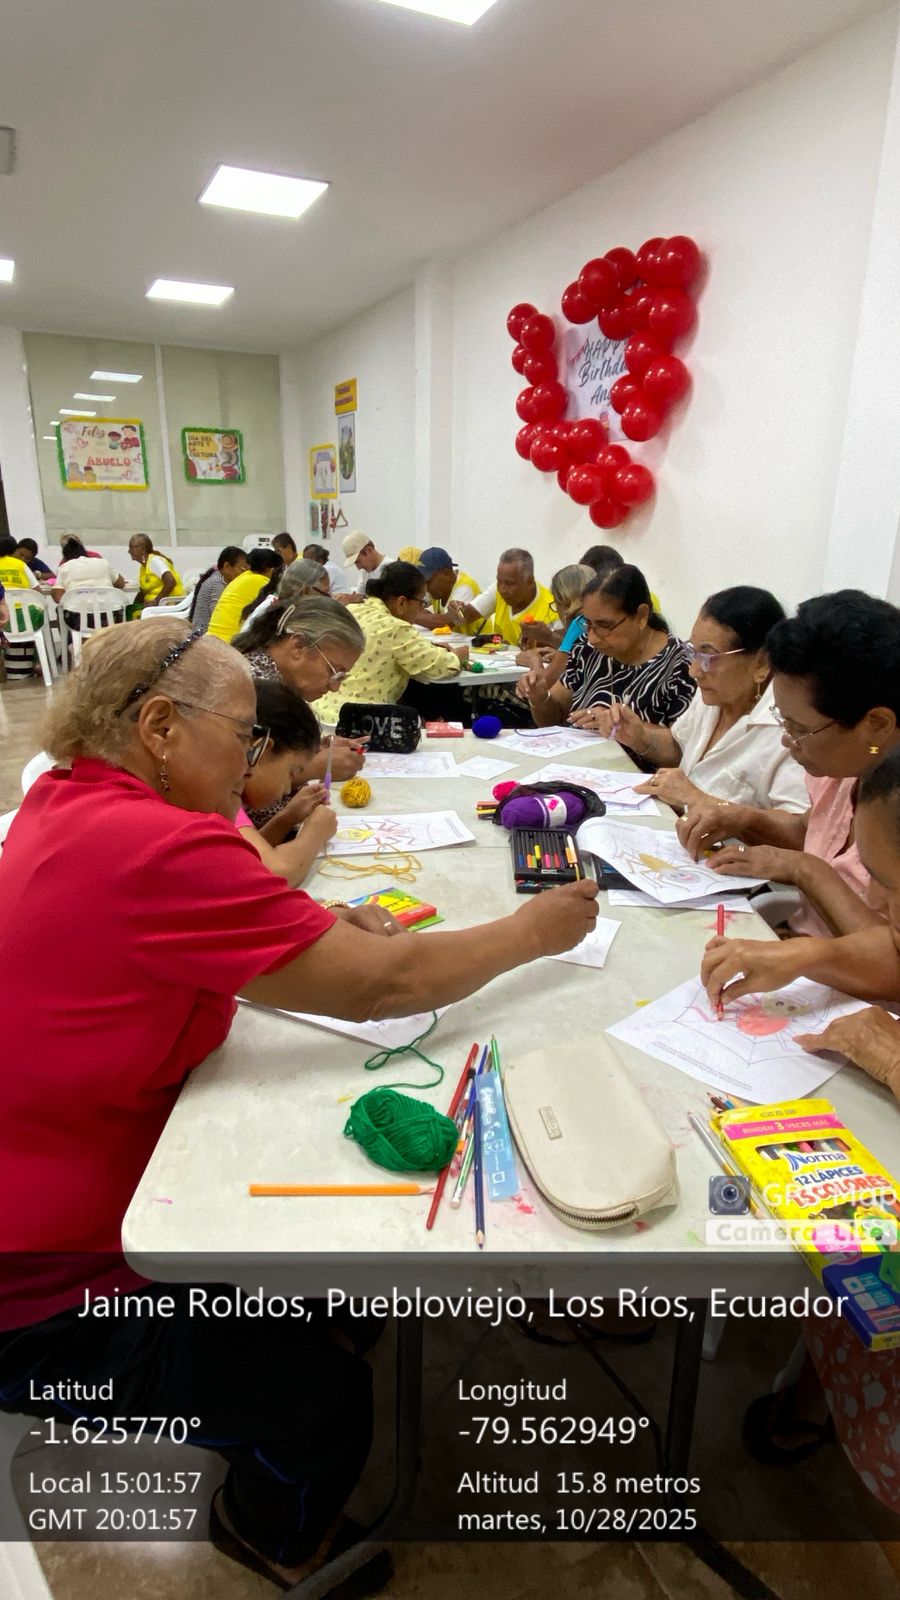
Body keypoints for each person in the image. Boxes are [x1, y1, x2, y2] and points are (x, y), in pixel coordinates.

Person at [0, 618, 598, 1590]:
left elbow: (174, 929)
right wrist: (534, 931)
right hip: (42, 1297)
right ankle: (272, 1535)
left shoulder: (74, 798)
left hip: (68, 1201)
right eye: (243, 735)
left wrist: (306, 923)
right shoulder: (154, 844)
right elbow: (386, 984)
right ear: (159, 726)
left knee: (328, 1281)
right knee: (322, 1400)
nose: (252, 760)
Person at [682, 590, 900, 940]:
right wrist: (744, 819)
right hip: (799, 948)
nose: (786, 740)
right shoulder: (842, 770)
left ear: (876, 724)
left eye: (799, 729)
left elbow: (890, 957)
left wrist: (803, 869)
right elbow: (813, 829)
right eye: (784, 721)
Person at [593, 587, 809, 816]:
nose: (694, 670)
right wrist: (639, 735)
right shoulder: (713, 695)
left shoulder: (789, 727)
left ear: (762, 663)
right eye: (692, 652)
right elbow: (680, 746)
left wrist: (699, 800)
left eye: (708, 656)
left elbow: (798, 825)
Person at [520, 565, 694, 753]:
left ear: (642, 616)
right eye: (588, 624)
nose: (593, 638)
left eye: (604, 626)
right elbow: (554, 719)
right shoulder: (586, 649)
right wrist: (539, 697)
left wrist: (632, 730)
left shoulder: (681, 665)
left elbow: (683, 751)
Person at [233, 596, 368, 787]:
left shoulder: (277, 682)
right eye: (333, 672)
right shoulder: (249, 688)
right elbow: (235, 783)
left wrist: (311, 749)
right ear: (298, 646)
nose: (335, 687)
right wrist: (312, 767)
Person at [315, 561, 468, 724]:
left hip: (323, 712)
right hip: (363, 720)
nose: (421, 610)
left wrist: (427, 647)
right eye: (421, 603)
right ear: (401, 602)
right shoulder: (396, 628)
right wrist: (458, 656)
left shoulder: (352, 610)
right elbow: (438, 666)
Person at [237, 680, 337, 882]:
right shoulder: (217, 798)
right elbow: (275, 874)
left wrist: (287, 818)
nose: (287, 789)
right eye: (292, 772)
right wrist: (316, 831)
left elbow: (243, 856)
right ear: (262, 750)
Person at [450, 547, 557, 647]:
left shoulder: (552, 611)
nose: (502, 589)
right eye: (499, 581)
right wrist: (457, 612)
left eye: (509, 583)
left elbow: (552, 654)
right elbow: (466, 617)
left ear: (529, 581)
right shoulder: (498, 589)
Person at [516, 563, 595, 690]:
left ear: (564, 601)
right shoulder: (598, 620)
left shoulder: (579, 623)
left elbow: (544, 685)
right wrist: (560, 653)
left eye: (556, 603)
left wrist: (534, 662)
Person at [206, 548, 282, 642]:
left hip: (211, 637)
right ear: (269, 569)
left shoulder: (242, 577)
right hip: (229, 641)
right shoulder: (263, 582)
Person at [417, 546, 482, 630]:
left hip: (483, 638)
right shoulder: (439, 590)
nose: (426, 588)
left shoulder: (465, 587)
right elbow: (426, 613)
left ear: (446, 573)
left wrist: (410, 614)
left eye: (429, 581)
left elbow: (447, 622)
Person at [189, 546, 249, 633]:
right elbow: (219, 615)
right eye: (242, 571)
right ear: (227, 566)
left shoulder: (219, 579)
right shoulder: (218, 583)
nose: (245, 576)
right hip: (205, 635)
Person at [128, 534, 185, 609]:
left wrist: (156, 601)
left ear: (143, 549)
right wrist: (133, 607)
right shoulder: (143, 567)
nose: (129, 551)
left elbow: (171, 582)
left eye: (131, 547)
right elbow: (143, 592)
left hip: (170, 604)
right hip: (157, 608)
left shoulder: (155, 561)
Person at [340, 529, 387, 599]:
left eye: (358, 561)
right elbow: (360, 595)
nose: (358, 568)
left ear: (369, 550)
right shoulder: (365, 571)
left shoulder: (391, 570)